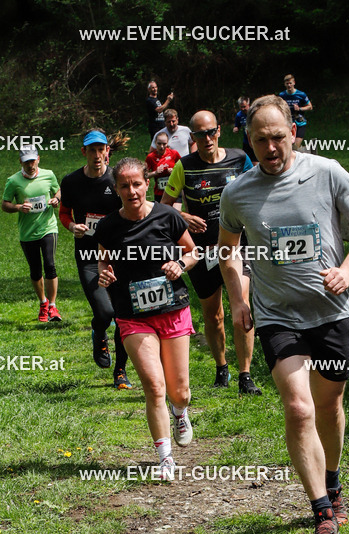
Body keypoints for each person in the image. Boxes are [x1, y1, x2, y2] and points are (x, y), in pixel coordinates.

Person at [218, 95, 349, 534]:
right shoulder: (237, 192)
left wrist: (347, 271)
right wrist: (238, 300)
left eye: (277, 137)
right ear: (248, 142)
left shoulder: (327, 172)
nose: (270, 147)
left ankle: (333, 480)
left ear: (293, 132)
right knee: (298, 407)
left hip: (329, 312)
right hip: (276, 315)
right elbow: (228, 250)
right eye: (260, 140)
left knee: (328, 405)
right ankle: (322, 514)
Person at [95, 157, 199, 480]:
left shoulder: (168, 216)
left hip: (172, 310)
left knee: (179, 391)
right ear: (116, 189)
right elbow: (103, 261)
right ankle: (165, 458)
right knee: (154, 386)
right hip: (132, 315)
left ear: (146, 183)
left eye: (137, 184)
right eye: (124, 186)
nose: (132, 191)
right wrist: (104, 274)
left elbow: (193, 252)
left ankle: (179, 411)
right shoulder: (108, 226)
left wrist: (179, 265)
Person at [162, 109, 262, 396]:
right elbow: (165, 206)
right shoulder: (184, 166)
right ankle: (221, 368)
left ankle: (245, 375)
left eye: (211, 132)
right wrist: (184, 217)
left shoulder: (239, 159)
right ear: (192, 137)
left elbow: (257, 194)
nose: (207, 138)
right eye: (200, 134)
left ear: (219, 131)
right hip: (203, 252)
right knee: (213, 314)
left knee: (242, 304)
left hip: (237, 247)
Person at [59, 130, 132, 387]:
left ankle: (120, 371)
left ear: (107, 151)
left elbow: (131, 210)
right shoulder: (71, 182)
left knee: (123, 314)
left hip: (118, 255)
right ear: (84, 152)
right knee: (105, 311)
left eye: (101, 149)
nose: (97, 155)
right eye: (92, 150)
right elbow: (64, 212)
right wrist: (72, 227)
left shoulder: (117, 180)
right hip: (89, 255)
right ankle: (99, 331)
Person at [1, 144, 62, 322]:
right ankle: (43, 303)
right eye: (26, 162)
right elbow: (5, 204)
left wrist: (56, 199)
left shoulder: (48, 175)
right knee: (35, 270)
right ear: (20, 162)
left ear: (38, 159)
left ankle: (53, 306)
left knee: (50, 265)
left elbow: (58, 191)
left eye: (33, 161)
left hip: (48, 227)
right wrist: (19, 207)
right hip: (27, 232)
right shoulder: (13, 181)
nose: (30, 165)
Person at [279, 74, 313, 149]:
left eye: (290, 83)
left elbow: (310, 107)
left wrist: (299, 109)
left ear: (294, 83)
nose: (289, 85)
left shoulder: (301, 94)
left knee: (296, 146)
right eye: (287, 83)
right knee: (288, 146)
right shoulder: (282, 95)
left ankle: (301, 151)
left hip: (300, 123)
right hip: (288, 123)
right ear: (284, 84)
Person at [146, 132, 180, 202]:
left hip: (174, 190)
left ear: (167, 143)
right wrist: (155, 173)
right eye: (159, 144)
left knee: (175, 209)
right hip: (159, 192)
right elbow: (144, 175)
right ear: (155, 143)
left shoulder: (174, 153)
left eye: (164, 144)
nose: (162, 147)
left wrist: (174, 171)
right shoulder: (150, 157)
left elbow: (183, 169)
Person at [233, 95, 255, 162]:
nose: (242, 109)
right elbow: (237, 125)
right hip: (246, 141)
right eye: (241, 107)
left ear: (248, 105)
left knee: (255, 161)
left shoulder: (254, 113)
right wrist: (236, 128)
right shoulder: (239, 115)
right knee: (246, 160)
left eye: (244, 107)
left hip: (255, 140)